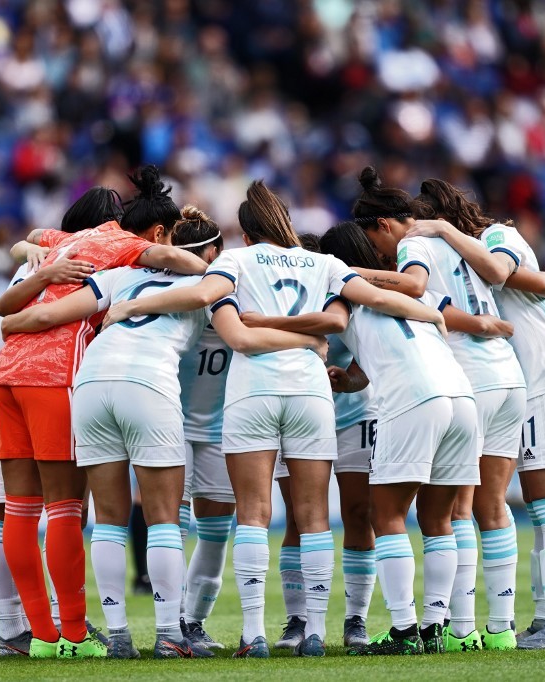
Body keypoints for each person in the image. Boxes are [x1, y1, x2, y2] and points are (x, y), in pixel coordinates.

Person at [99, 180, 450, 658]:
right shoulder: (323, 262)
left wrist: (134, 303)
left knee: (253, 516)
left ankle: (253, 634)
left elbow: (203, 296)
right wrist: (429, 315)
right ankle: (314, 636)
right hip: (310, 391)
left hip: (254, 392)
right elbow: (379, 300)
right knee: (314, 519)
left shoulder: (236, 262)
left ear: (246, 234)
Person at [1, 204, 326, 659]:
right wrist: (310, 340)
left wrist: (9, 322)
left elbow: (41, 316)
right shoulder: (214, 288)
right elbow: (247, 334)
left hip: (93, 385)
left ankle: (117, 636)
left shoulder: (121, 276)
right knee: (165, 521)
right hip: (154, 392)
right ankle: (171, 633)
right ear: (210, 252)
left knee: (110, 520)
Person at [0, 166, 209, 660]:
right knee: (67, 509)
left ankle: (38, 636)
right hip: (56, 375)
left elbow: (26, 242)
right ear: (154, 230)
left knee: (20, 510)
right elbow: (174, 259)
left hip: (5, 374)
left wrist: (35, 260)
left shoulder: (70, 238)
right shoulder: (126, 251)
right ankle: (69, 633)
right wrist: (204, 266)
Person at [350, 167, 526, 652]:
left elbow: (412, 288)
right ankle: (500, 629)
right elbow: (509, 278)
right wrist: (486, 323)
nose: (379, 255)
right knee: (489, 508)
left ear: (385, 225)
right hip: (509, 378)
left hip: (466, 377)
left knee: (456, 511)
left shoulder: (415, 245)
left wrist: (350, 274)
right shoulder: (464, 242)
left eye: (376, 244)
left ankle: (456, 628)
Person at [410, 177, 545, 649]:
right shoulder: (453, 262)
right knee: (537, 502)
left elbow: (528, 278)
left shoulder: (495, 238)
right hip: (524, 382)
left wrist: (445, 233)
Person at [0, 186, 120, 656]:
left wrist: (30, 248)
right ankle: (13, 631)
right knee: (7, 511)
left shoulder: (52, 254)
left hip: (2, 388)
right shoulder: (71, 263)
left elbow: (23, 241)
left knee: (30, 512)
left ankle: (45, 627)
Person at [263, 233, 378, 651]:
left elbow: (375, 348)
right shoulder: (283, 298)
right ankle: (299, 620)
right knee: (297, 515)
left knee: (359, 512)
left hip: (352, 415)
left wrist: (349, 380)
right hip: (294, 412)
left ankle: (356, 620)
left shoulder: (347, 299)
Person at [174, 211, 237, 651]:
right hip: (174, 424)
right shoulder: (171, 288)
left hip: (210, 427)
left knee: (208, 530)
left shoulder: (232, 288)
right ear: (214, 252)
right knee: (194, 530)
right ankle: (179, 624)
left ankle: (188, 624)